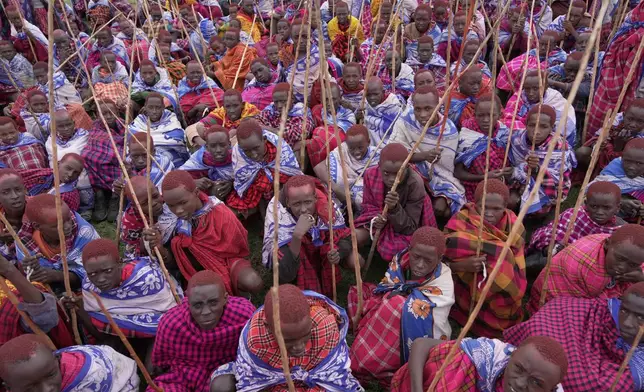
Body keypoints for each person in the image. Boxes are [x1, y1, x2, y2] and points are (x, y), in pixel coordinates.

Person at [348, 226, 454, 386]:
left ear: (440, 259)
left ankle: (379, 364)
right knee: (389, 303)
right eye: (416, 257)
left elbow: (434, 317)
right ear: (409, 250)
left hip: (421, 330)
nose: (419, 265)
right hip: (388, 314)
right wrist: (395, 298)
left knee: (396, 306)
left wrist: (400, 301)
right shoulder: (400, 260)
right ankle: (366, 358)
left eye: (428, 261)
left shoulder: (444, 281)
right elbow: (388, 286)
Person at [210, 284, 363, 392]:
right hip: (275, 384)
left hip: (318, 382)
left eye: (305, 336)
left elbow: (332, 374)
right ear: (269, 328)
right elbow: (255, 381)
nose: (300, 347)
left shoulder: (324, 325)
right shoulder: (256, 338)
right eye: (288, 341)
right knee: (221, 386)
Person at [505, 282, 644, 391]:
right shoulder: (605, 311)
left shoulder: (637, 369)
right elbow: (561, 306)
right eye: (624, 310)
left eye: (640, 317)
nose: (626, 323)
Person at [444, 179, 526, 338]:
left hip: (504, 281)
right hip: (467, 283)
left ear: (506, 207)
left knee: (503, 257)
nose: (489, 213)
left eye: (497, 209)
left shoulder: (514, 224)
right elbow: (442, 256)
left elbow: (518, 260)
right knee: (499, 254)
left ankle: (502, 307)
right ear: (475, 204)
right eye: (484, 207)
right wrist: (462, 266)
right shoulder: (460, 220)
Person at [162, 170, 263, 295]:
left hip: (229, 262)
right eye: (171, 206)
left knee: (253, 282)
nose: (178, 210)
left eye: (183, 203)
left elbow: (239, 248)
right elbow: (175, 261)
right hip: (198, 272)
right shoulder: (169, 222)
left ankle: (235, 290)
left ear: (197, 193)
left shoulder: (221, 214)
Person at [151, 270, 255, 391]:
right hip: (185, 375)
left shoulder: (243, 315)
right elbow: (161, 362)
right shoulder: (172, 324)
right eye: (198, 305)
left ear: (225, 298)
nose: (206, 312)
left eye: (213, 303)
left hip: (227, 371)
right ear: (188, 302)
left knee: (223, 387)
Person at [263, 175, 361, 297]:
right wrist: (297, 236)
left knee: (356, 259)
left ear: (315, 198)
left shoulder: (326, 208)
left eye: (308, 202)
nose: (304, 209)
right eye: (297, 204)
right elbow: (285, 273)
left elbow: (345, 237)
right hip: (295, 265)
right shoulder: (278, 214)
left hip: (319, 256)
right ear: (288, 203)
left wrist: (338, 253)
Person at [529, 223, 644, 315]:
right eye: (619, 259)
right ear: (607, 244)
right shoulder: (587, 268)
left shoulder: (619, 247)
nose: (623, 267)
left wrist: (641, 277)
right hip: (550, 307)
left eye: (633, 265)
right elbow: (597, 307)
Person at [389, 86, 466, 218]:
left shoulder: (447, 131)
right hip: (410, 174)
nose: (422, 114)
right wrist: (422, 156)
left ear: (437, 105)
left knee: (441, 209)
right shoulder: (405, 120)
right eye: (417, 109)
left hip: (439, 178)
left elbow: (445, 168)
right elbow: (393, 152)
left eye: (428, 109)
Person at [391, 335, 568, 392]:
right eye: (518, 369)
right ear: (511, 357)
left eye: (536, 383)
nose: (521, 384)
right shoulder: (485, 354)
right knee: (453, 360)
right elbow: (421, 344)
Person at [354, 143, 436, 261]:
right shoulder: (370, 175)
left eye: (398, 173)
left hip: (403, 225)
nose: (392, 179)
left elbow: (411, 227)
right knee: (354, 236)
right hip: (378, 219)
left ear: (407, 167)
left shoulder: (415, 184)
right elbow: (368, 205)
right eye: (386, 173)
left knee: (389, 251)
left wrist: (394, 208)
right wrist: (376, 219)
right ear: (379, 166)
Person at [18, 194, 99, 292]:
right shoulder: (24, 242)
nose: (68, 226)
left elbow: (97, 271)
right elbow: (27, 275)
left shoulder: (84, 233)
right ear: (37, 227)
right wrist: (28, 268)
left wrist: (58, 276)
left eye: (68, 218)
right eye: (59, 224)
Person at [0, 334, 140, 391]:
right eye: (30, 387)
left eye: (50, 375)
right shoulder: (47, 365)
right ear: (8, 388)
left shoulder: (91, 377)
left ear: (58, 359)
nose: (47, 389)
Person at [587, 2, 644, 135]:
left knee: (631, 122)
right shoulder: (633, 19)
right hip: (615, 78)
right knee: (605, 122)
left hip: (631, 84)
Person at [508, 105, 576, 216]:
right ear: (526, 124)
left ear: (552, 128)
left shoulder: (559, 148)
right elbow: (515, 166)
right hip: (520, 181)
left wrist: (537, 170)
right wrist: (518, 175)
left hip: (548, 188)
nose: (536, 132)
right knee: (510, 201)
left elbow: (557, 182)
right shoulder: (517, 140)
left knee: (537, 210)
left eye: (543, 127)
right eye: (532, 125)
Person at [0, 248, 75, 348]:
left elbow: (47, 319)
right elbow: (46, 319)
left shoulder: (9, 286)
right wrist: (10, 271)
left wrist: (12, 271)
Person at [227, 119, 302, 218]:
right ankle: (266, 219)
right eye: (247, 151)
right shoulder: (238, 154)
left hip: (281, 184)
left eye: (256, 148)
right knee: (259, 188)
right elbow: (245, 182)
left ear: (265, 140)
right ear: (241, 148)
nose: (253, 154)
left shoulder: (278, 146)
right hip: (257, 191)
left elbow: (290, 171)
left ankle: (284, 215)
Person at [529, 181, 624, 257]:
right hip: (556, 257)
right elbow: (549, 232)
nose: (599, 212)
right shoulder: (573, 215)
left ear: (618, 208)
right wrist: (552, 248)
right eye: (594, 206)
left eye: (606, 208)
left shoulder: (618, 231)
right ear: (586, 204)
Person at [455, 94, 512, 202]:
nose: (486, 120)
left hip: (500, 186)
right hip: (473, 187)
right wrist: (484, 177)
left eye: (491, 115)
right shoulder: (467, 136)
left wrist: (509, 171)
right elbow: (458, 172)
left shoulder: (504, 134)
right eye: (481, 115)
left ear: (499, 115)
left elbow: (511, 163)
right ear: (474, 114)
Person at [503, 69, 577, 147]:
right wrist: (527, 133)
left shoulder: (556, 100)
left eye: (536, 89)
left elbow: (564, 127)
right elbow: (508, 119)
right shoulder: (519, 97)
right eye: (527, 89)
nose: (531, 93)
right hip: (524, 137)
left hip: (550, 141)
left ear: (546, 87)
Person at [313, 125, 380, 209]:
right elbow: (336, 181)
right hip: (341, 194)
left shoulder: (377, 156)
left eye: (360, 148)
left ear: (369, 142)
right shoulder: (340, 152)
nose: (356, 152)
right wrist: (338, 188)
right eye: (351, 148)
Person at [578, 98, 644, 178]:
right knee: (582, 152)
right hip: (606, 156)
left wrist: (619, 147)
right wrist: (599, 144)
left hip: (631, 166)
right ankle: (588, 175)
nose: (633, 124)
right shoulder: (615, 122)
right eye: (630, 119)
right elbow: (597, 139)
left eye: (640, 121)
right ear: (624, 115)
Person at [82, 100, 125, 223]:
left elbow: (127, 144)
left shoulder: (123, 125)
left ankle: (115, 196)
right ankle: (99, 195)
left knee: (124, 161)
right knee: (87, 157)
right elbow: (89, 149)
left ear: (117, 112)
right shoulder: (95, 127)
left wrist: (115, 154)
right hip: (97, 165)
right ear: (97, 115)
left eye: (112, 112)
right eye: (104, 113)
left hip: (116, 164)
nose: (108, 116)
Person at [120, 175, 177, 262]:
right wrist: (146, 241)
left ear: (158, 191)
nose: (153, 203)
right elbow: (135, 249)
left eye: (155, 196)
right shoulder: (131, 221)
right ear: (135, 207)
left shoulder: (167, 200)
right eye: (145, 203)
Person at [129, 93, 189, 167]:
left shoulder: (171, 118)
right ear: (145, 107)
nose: (154, 111)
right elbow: (131, 139)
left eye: (158, 107)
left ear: (163, 107)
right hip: (143, 157)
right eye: (150, 107)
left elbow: (178, 138)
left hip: (170, 157)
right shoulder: (139, 121)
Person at [497, 30, 567, 92]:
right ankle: (509, 90)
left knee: (527, 75)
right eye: (541, 44)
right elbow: (519, 60)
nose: (542, 47)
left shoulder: (560, 57)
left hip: (542, 78)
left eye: (546, 45)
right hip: (526, 70)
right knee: (506, 67)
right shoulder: (534, 51)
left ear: (554, 46)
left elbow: (551, 71)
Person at [592, 138, 644, 222]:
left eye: (639, 163)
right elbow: (593, 192)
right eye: (627, 161)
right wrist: (620, 202)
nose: (631, 167)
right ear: (622, 157)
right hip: (614, 212)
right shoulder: (615, 166)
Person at [31, 62, 92, 131]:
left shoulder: (57, 81)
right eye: (37, 77)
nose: (39, 79)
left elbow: (62, 102)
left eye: (42, 76)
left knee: (73, 112)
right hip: (57, 110)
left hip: (70, 106)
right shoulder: (42, 87)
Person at [256, 82, 313, 156]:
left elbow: (297, 135)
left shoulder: (301, 112)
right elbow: (256, 123)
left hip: (289, 152)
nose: (279, 105)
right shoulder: (271, 110)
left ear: (292, 99)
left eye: (283, 101)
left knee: (300, 151)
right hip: (271, 149)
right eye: (276, 102)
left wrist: (270, 130)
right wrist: (276, 132)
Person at [179, 125, 234, 201]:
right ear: (207, 147)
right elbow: (177, 178)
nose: (218, 150)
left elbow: (245, 177)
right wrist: (193, 182)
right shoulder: (199, 159)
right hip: (205, 195)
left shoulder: (236, 157)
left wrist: (232, 183)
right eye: (213, 146)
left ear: (229, 144)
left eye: (222, 145)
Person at [19, 153, 85, 212]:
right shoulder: (47, 173)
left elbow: (46, 214)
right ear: (58, 164)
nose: (70, 174)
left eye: (76, 173)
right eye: (68, 168)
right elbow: (19, 175)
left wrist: (27, 199)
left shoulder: (69, 195)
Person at [285, 20, 320, 102]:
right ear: (291, 37)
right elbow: (280, 78)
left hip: (314, 99)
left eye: (304, 36)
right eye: (297, 37)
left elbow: (324, 79)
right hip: (289, 100)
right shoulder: (285, 54)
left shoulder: (318, 55)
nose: (301, 41)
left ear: (311, 36)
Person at [362, 77, 403, 146]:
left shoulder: (394, 106)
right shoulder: (364, 104)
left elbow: (400, 130)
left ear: (383, 92)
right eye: (368, 95)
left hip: (391, 145)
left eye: (376, 94)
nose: (372, 98)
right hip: (371, 148)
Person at [0, 169, 28, 260]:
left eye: (18, 190)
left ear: (25, 190)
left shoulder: (40, 209)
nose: (15, 196)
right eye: (6, 192)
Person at [0, 40, 34, 104]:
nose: (8, 53)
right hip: (6, 86)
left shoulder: (21, 62)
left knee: (20, 97)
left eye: (9, 51)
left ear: (14, 51)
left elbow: (29, 80)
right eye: (4, 52)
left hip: (23, 87)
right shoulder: (1, 61)